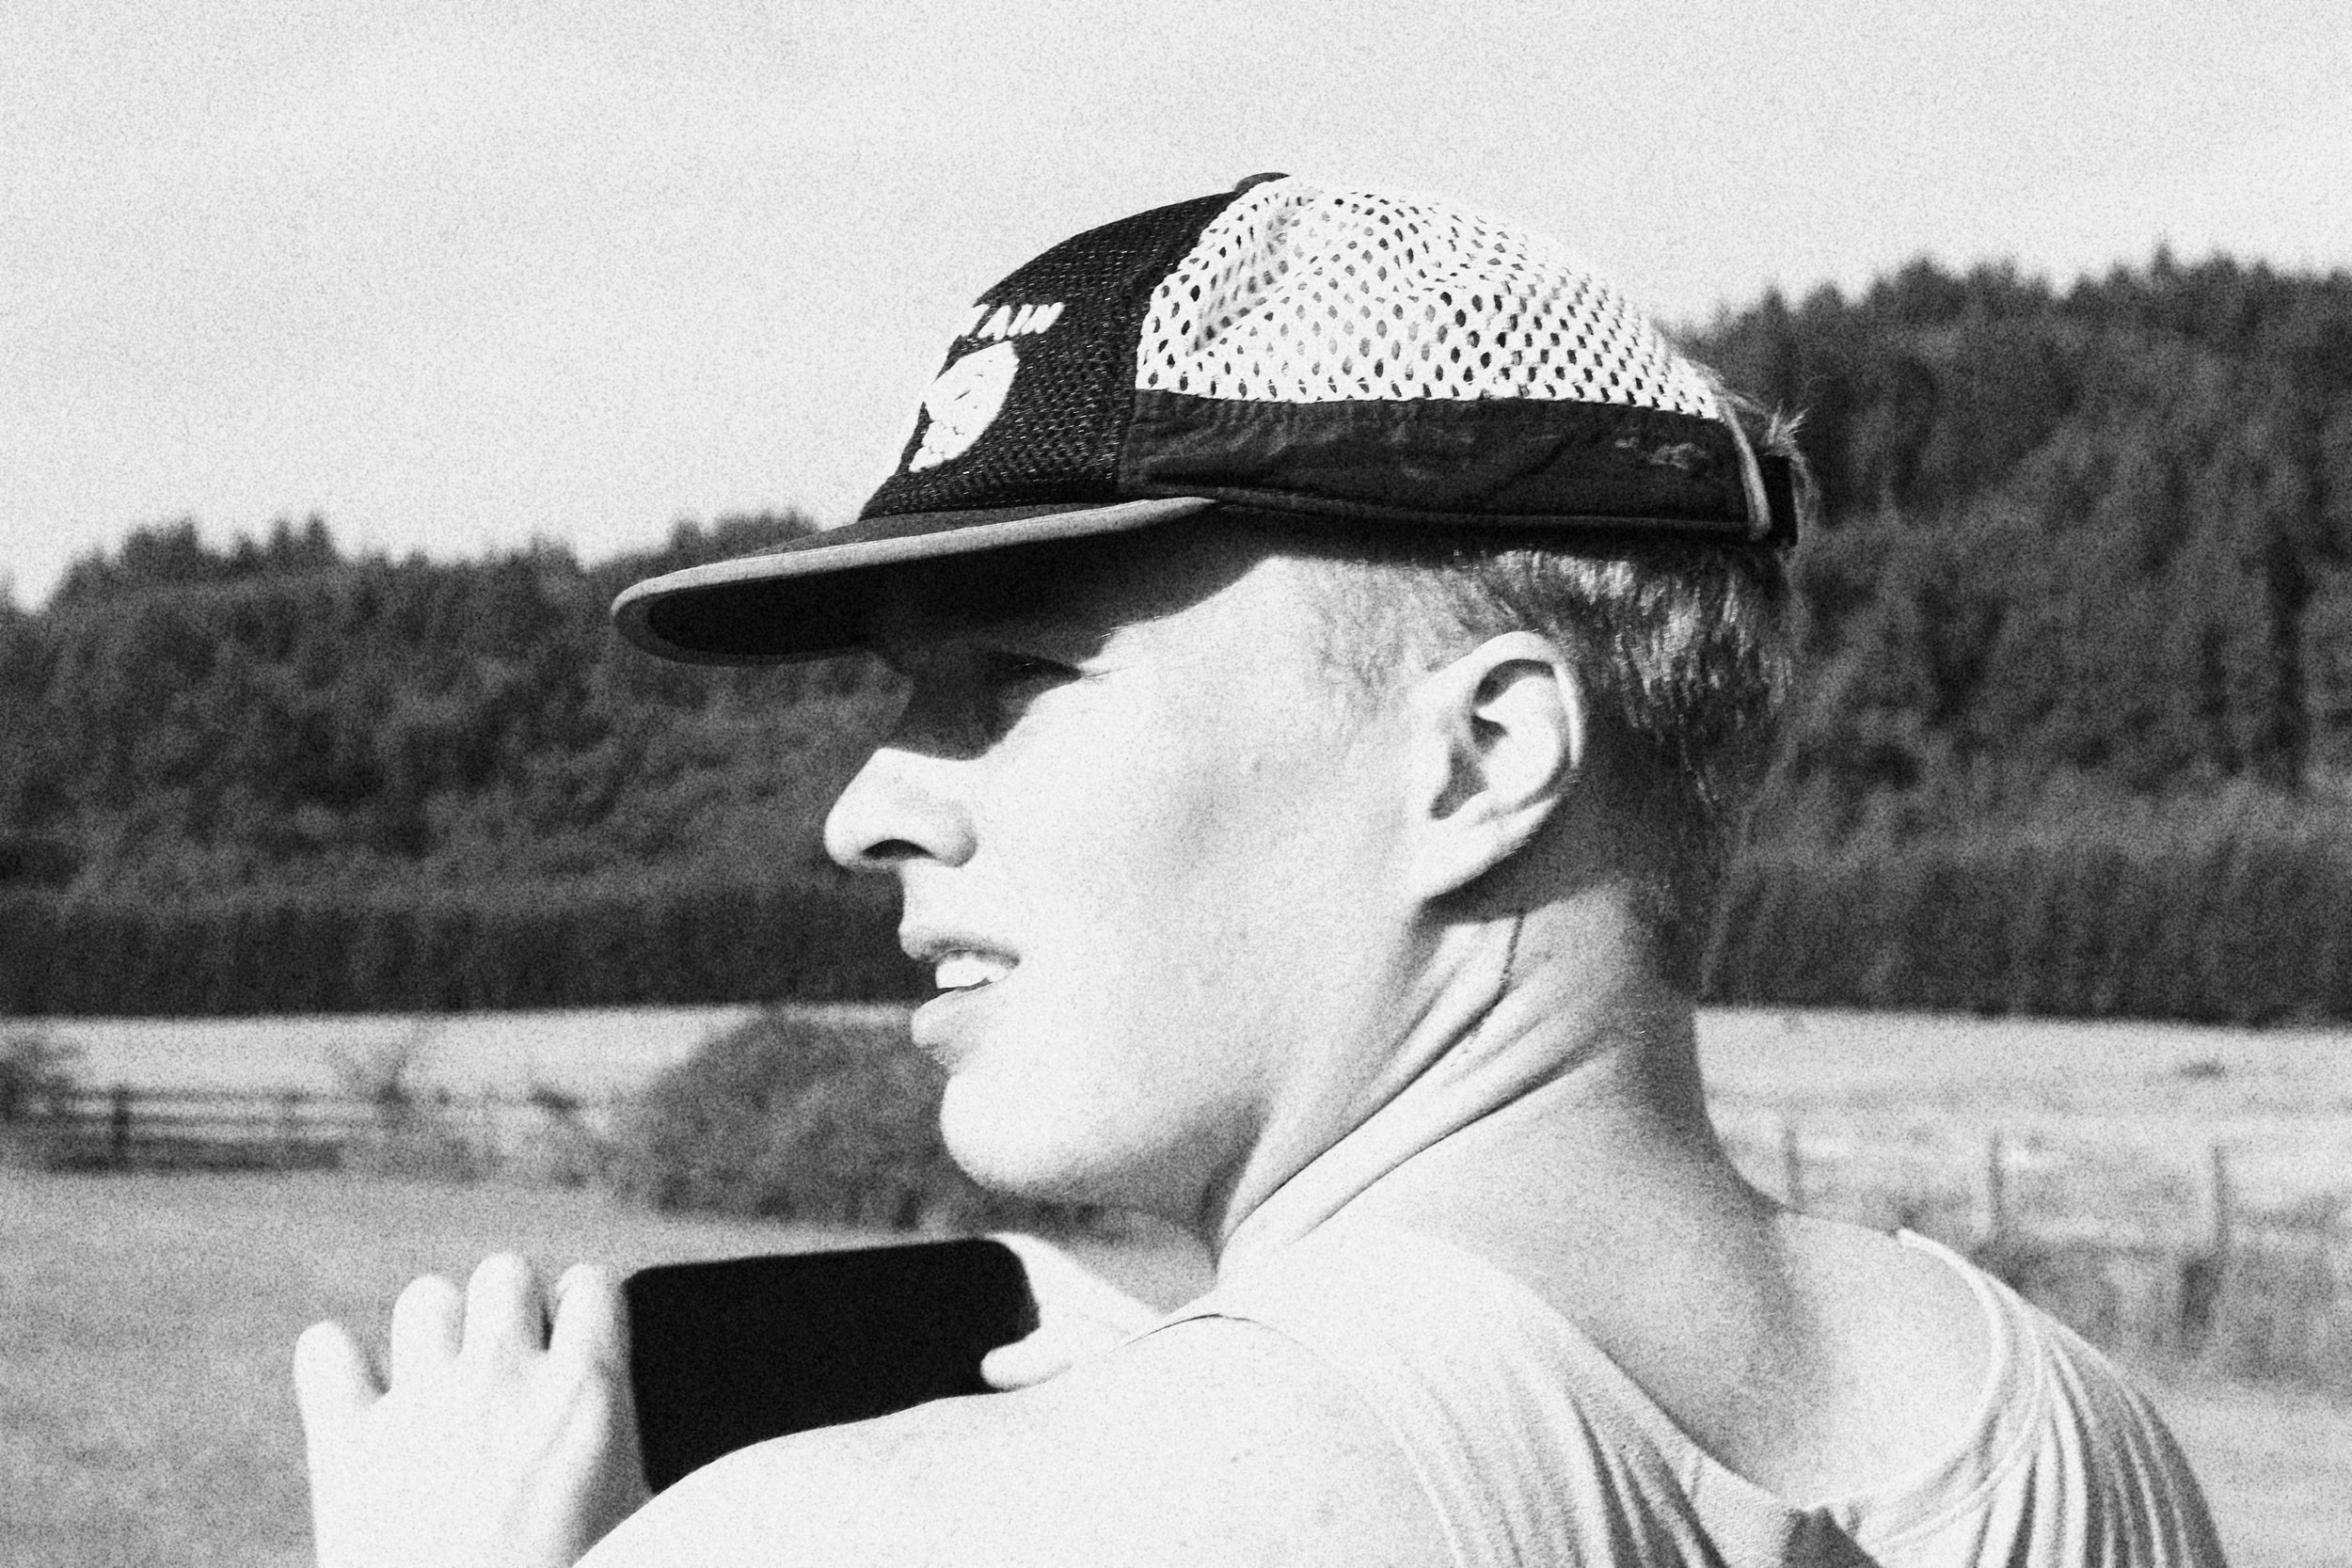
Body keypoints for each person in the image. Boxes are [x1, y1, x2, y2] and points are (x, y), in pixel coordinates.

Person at [294, 175, 2226, 1566]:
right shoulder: (2077, 1444)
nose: (867, 805)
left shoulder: (865, 1533)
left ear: (1480, 760)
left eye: (1016, 677)